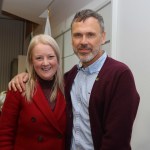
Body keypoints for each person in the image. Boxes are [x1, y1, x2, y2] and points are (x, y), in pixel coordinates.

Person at [8, 9, 140, 150]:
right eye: (78, 35)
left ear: (102, 37)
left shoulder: (120, 75)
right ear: (72, 39)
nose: (83, 42)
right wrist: (25, 76)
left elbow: (117, 139)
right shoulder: (70, 77)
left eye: (90, 35)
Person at [0, 34, 66, 150]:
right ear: (31, 61)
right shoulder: (19, 88)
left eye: (50, 57)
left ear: (57, 59)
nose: (45, 63)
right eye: (39, 58)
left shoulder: (67, 86)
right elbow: (5, 134)